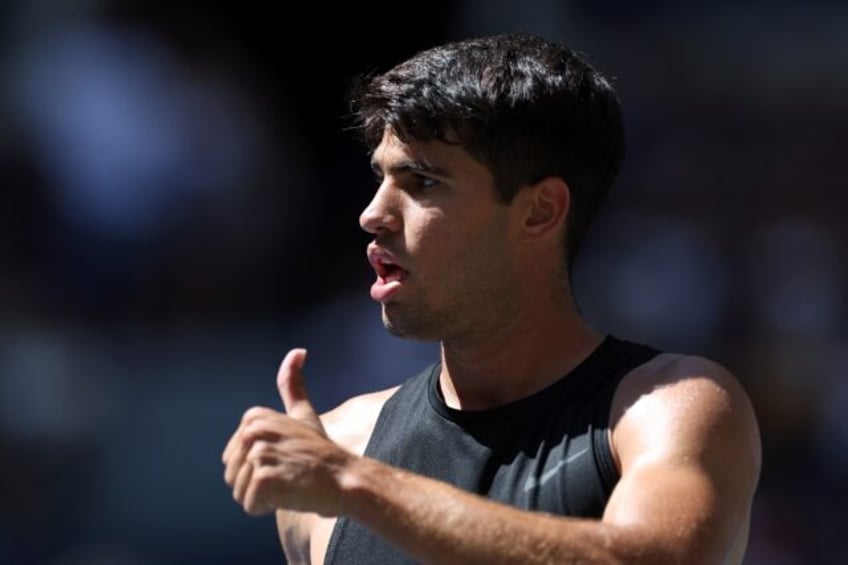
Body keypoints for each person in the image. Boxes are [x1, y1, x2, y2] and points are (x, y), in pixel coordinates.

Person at [222, 33, 761, 564]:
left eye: (423, 182)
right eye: (381, 177)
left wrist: (354, 484)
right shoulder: (339, 444)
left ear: (540, 211)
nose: (372, 214)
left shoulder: (669, 407)